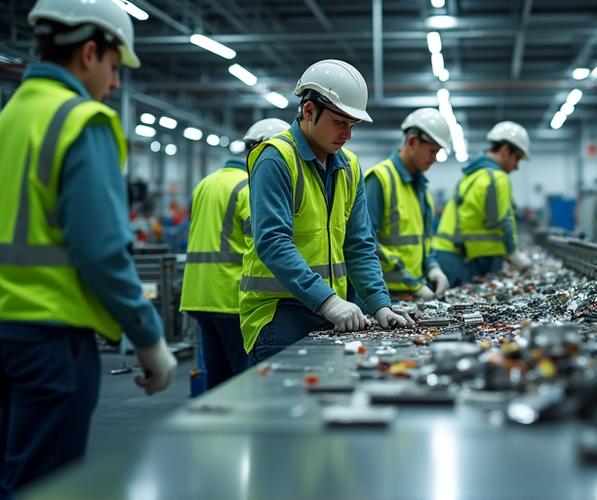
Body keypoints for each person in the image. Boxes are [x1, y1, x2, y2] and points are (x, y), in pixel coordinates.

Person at [0, 0, 177, 494]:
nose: (115, 84)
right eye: (115, 68)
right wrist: (148, 337)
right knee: (46, 485)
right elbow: (101, 251)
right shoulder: (83, 121)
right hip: (51, 341)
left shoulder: (11, 116)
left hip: (6, 330)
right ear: (90, 52)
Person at [240, 59, 410, 364]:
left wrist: (379, 304)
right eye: (340, 123)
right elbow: (273, 242)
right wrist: (328, 301)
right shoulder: (275, 158)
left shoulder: (350, 166)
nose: (347, 134)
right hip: (279, 313)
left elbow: (359, 245)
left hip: (331, 309)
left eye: (352, 125)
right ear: (308, 111)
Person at [180, 118, 290, 390]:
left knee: (217, 379)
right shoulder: (249, 187)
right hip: (230, 296)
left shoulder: (205, 184)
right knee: (244, 380)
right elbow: (264, 246)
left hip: (198, 296)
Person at [364, 108, 451, 300]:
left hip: (414, 294)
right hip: (383, 295)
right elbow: (367, 243)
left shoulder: (423, 191)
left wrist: (434, 268)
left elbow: (425, 242)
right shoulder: (379, 179)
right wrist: (413, 283)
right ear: (412, 142)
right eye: (432, 151)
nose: (434, 159)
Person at [432, 121, 533, 285]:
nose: (516, 167)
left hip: (446, 252)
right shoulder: (497, 178)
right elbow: (502, 221)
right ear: (506, 151)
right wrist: (514, 254)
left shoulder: (472, 175)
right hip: (461, 257)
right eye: (517, 159)